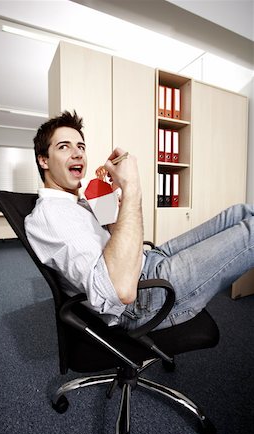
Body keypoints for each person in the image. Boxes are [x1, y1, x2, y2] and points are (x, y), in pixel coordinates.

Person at [25, 110, 254, 330]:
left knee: (238, 213)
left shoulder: (76, 202)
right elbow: (121, 291)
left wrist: (113, 195)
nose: (77, 153)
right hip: (142, 297)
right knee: (251, 231)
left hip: (145, 260)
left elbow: (120, 236)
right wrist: (132, 186)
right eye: (64, 147)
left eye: (81, 146)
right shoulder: (51, 214)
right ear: (43, 160)